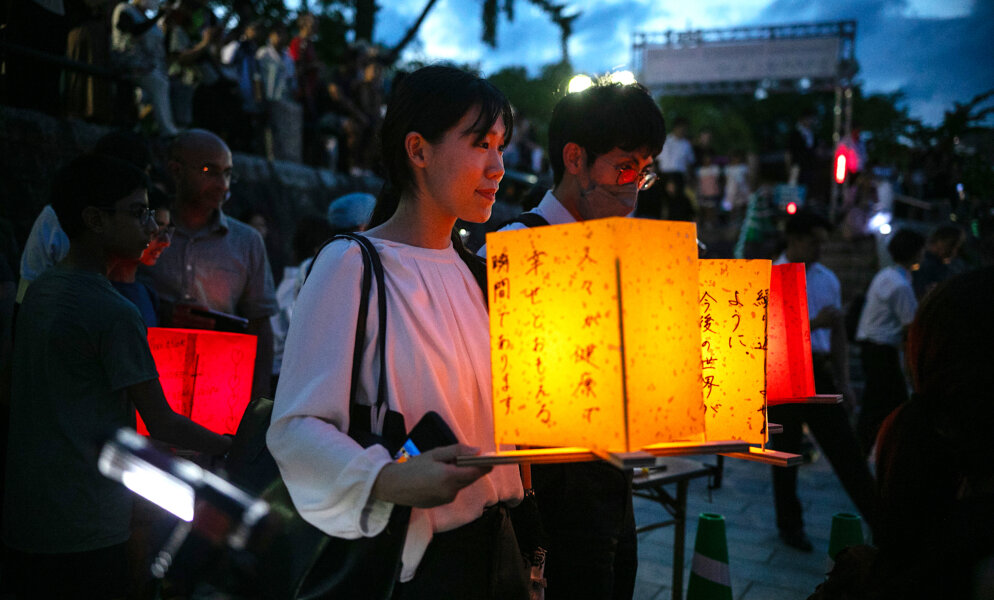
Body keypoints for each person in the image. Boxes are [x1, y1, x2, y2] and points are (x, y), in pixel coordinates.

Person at [267, 65, 527, 599]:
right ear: (418, 150)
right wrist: (387, 478)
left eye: (501, 146)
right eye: (480, 144)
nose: (498, 167)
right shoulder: (351, 265)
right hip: (411, 567)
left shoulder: (479, 274)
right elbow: (293, 427)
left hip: (500, 550)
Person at [2, 153, 230, 599]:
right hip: (86, 520)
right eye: (137, 212)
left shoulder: (42, 289)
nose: (150, 224)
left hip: (29, 514)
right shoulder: (112, 311)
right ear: (94, 219)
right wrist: (236, 446)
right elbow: (161, 420)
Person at [480, 80, 666, 600]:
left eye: (643, 171)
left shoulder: (621, 252)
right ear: (575, 158)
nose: (633, 185)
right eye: (624, 166)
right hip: (545, 492)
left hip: (611, 483)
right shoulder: (517, 248)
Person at [140, 129, 277, 408]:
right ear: (175, 170)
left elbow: (260, 324)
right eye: (210, 171)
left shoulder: (246, 241)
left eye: (227, 174)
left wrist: (259, 406)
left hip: (218, 393)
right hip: (149, 389)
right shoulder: (145, 231)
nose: (223, 185)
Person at [768, 210, 878, 552]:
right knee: (785, 456)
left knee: (846, 451)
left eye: (822, 242)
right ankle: (790, 526)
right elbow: (766, 335)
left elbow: (840, 331)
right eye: (814, 241)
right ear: (795, 239)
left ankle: (880, 521)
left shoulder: (826, 278)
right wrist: (814, 324)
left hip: (819, 369)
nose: (819, 248)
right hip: (783, 371)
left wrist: (844, 380)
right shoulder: (771, 274)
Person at [854, 228, 925, 454]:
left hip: (871, 347)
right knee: (888, 403)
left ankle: (865, 449)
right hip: (882, 350)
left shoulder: (886, 276)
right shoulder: (900, 286)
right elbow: (910, 325)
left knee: (876, 403)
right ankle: (874, 450)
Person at [107, 185, 173, 327]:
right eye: (157, 228)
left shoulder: (148, 296)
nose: (166, 242)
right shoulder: (95, 292)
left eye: (167, 230)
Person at [655, 116, 695, 221]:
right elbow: (659, 160)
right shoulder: (666, 141)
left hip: (679, 176)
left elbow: (689, 163)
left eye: (684, 128)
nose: (682, 130)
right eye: (681, 128)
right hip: (665, 174)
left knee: (678, 204)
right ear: (676, 128)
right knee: (664, 202)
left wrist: (689, 180)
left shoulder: (686, 145)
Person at [911, 224, 964, 299]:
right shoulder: (924, 264)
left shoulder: (945, 265)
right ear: (940, 241)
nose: (954, 252)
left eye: (956, 247)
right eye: (951, 245)